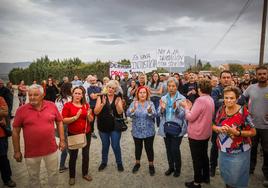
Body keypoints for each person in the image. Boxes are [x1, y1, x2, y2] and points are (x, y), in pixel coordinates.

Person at [12, 84, 65, 188]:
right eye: (30, 95)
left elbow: (59, 122)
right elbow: (15, 131)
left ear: (42, 95)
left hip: (51, 149)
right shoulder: (21, 110)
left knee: (53, 173)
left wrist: (62, 140)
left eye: (35, 95)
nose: (32, 97)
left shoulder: (51, 105)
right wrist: (17, 151)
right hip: (32, 152)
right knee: (33, 176)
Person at [212, 86, 256, 188]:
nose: (228, 100)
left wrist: (237, 133)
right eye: (226, 98)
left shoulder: (243, 111)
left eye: (231, 98)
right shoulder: (221, 109)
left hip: (239, 152)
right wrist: (218, 129)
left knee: (237, 178)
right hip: (223, 150)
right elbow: (213, 125)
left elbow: (253, 132)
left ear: (237, 98)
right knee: (227, 175)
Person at [180, 79, 215, 188]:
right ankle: (205, 177)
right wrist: (191, 107)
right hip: (205, 133)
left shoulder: (200, 100)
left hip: (197, 134)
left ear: (199, 89)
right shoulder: (210, 99)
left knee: (197, 159)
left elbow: (190, 117)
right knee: (204, 156)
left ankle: (197, 182)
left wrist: (186, 108)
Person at [240, 66, 268, 186]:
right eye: (260, 74)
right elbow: (241, 100)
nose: (262, 76)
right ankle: (250, 169)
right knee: (251, 149)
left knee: (267, 152)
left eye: (264, 74)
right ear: (256, 75)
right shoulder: (251, 88)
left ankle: (266, 175)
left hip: (266, 128)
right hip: (252, 126)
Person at [62, 86, 94, 185]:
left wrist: (89, 115)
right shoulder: (68, 105)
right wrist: (75, 117)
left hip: (86, 133)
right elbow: (63, 120)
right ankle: (72, 176)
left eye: (80, 93)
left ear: (82, 95)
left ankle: (85, 173)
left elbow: (91, 120)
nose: (77, 95)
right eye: (76, 93)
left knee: (86, 154)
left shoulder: (86, 105)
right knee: (73, 156)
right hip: (73, 134)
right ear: (72, 94)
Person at [158, 77, 187, 177]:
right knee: (168, 149)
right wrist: (162, 109)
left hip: (177, 128)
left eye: (173, 86)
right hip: (166, 127)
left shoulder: (182, 98)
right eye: (169, 86)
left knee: (175, 149)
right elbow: (159, 114)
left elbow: (183, 115)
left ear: (177, 87)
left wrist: (177, 109)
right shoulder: (163, 98)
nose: (171, 88)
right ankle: (171, 167)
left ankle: (177, 169)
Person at [94, 80, 124, 172]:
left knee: (115, 145)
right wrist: (102, 104)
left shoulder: (117, 98)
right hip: (103, 125)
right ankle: (104, 162)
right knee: (105, 145)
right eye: (109, 87)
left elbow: (120, 112)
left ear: (115, 90)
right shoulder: (101, 97)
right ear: (106, 88)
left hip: (115, 126)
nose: (110, 89)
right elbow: (96, 112)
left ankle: (119, 163)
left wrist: (117, 105)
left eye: (113, 88)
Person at [127, 86, 157, 176]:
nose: (142, 94)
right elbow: (128, 114)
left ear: (147, 94)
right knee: (138, 148)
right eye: (140, 93)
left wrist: (150, 111)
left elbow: (155, 115)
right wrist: (133, 109)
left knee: (149, 148)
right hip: (137, 130)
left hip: (149, 131)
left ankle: (151, 165)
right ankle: (137, 163)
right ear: (138, 94)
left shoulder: (150, 103)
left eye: (144, 92)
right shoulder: (134, 103)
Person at [210, 70, 232, 177]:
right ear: (220, 79)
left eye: (228, 77)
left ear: (231, 78)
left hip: (232, 124)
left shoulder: (235, 90)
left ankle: (227, 168)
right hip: (218, 123)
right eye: (224, 77)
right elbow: (214, 103)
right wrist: (230, 100)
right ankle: (212, 167)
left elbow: (241, 102)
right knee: (215, 146)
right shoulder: (215, 90)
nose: (226, 79)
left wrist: (222, 100)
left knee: (230, 146)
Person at [55, 83, 72, 173]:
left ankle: (71, 157)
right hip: (64, 124)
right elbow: (59, 114)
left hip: (67, 123)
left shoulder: (65, 98)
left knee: (68, 142)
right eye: (71, 87)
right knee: (65, 143)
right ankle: (62, 165)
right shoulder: (60, 100)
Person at [0, 96, 16, 187]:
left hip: (1, 136)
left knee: (3, 158)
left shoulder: (1, 99)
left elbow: (5, 112)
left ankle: (7, 179)